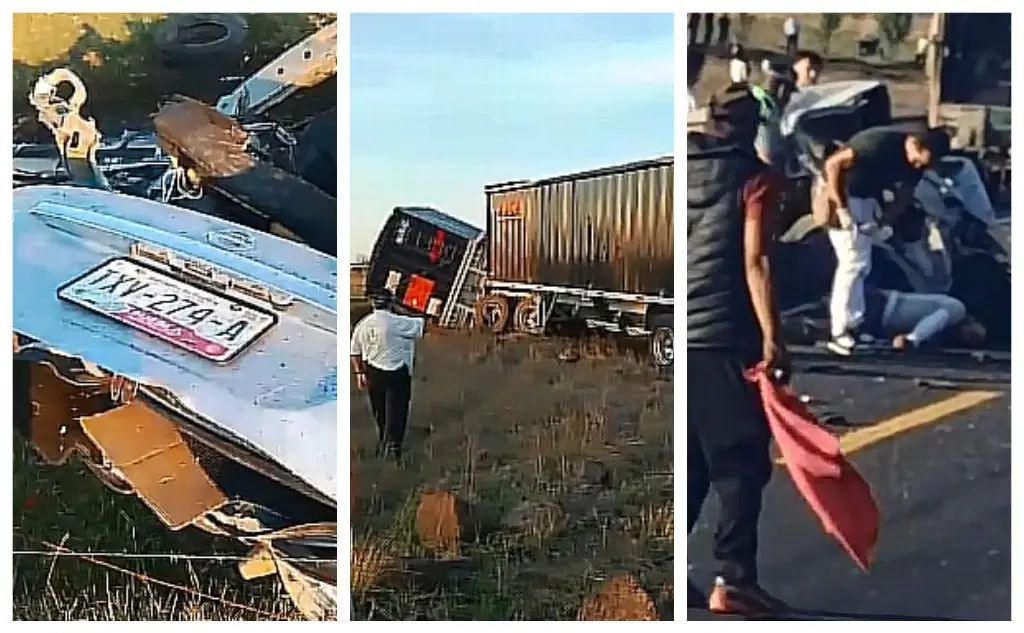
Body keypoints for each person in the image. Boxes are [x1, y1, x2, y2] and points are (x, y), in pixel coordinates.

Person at [687, 88, 789, 616]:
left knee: (692, 462)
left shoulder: (683, 167)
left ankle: (674, 571)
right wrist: (774, 337)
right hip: (725, 333)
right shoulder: (755, 177)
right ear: (754, 128)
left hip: (680, 335)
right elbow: (756, 260)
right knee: (740, 461)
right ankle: (735, 579)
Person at [818, 126, 950, 355]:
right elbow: (833, 165)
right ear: (915, 145)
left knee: (862, 265)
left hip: (866, 199)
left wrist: (884, 222)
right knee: (852, 262)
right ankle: (840, 330)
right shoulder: (878, 144)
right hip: (841, 193)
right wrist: (842, 209)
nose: (919, 167)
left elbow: (904, 195)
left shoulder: (916, 164)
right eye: (919, 161)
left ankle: (855, 325)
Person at [350, 287, 425, 459]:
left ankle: (383, 439)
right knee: (398, 409)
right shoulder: (399, 322)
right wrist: (401, 308)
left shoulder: (364, 324)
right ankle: (394, 444)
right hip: (398, 372)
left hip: (373, 371)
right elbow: (422, 325)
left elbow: (354, 351)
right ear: (391, 303)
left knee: (379, 409)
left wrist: (359, 373)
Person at [860, 284, 986, 350]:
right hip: (884, 307)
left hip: (884, 307)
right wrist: (914, 338)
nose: (966, 337)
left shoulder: (949, 327)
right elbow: (937, 319)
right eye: (971, 334)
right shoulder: (958, 310)